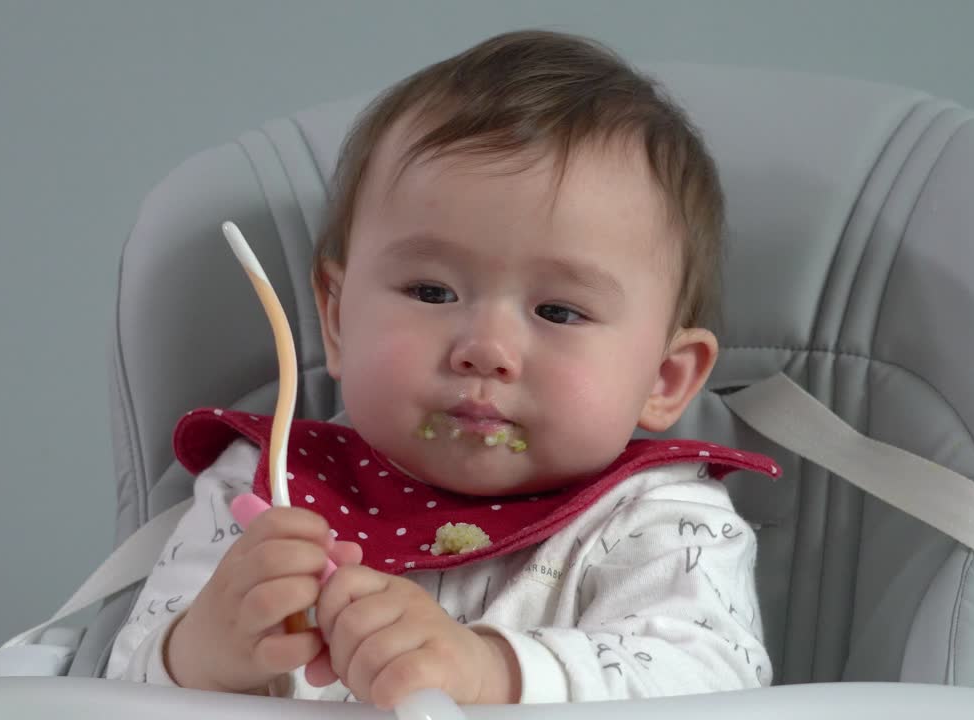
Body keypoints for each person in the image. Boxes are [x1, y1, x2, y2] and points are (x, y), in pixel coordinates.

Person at [106, 29, 778, 707]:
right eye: (432, 293)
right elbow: (112, 691)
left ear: (665, 380)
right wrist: (200, 653)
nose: (484, 349)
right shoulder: (261, 492)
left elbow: (716, 682)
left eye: (559, 311)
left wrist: (491, 671)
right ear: (337, 320)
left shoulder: (663, 521)